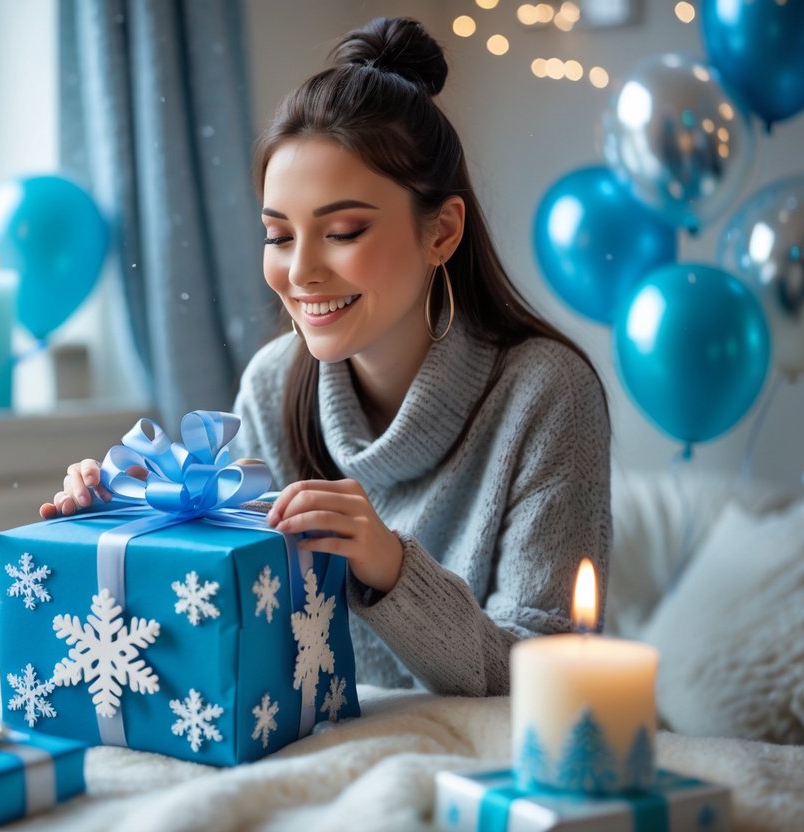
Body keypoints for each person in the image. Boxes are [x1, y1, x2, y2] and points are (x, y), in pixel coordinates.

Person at [40, 17, 610, 697]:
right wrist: (122, 532)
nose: (300, 272)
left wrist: (392, 567)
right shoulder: (273, 384)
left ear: (442, 231)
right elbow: (223, 632)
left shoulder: (546, 394)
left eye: (342, 231)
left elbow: (547, 678)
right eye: (278, 235)